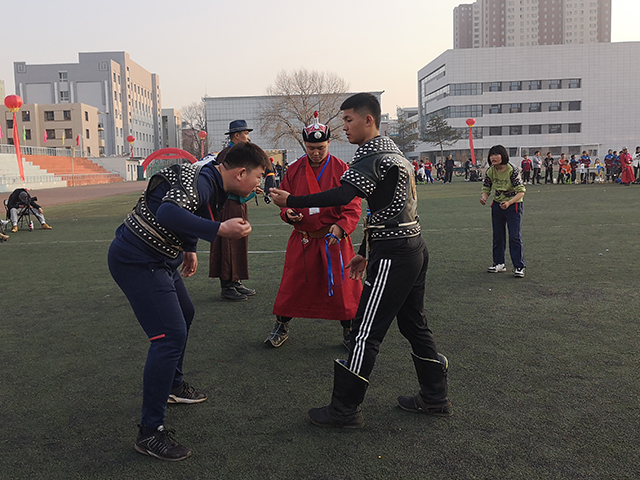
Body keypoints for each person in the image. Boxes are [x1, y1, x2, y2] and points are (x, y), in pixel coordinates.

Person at [270, 93, 452, 429]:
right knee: (414, 324)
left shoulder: (373, 154)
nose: (344, 127)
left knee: (365, 331)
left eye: (348, 119)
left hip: (395, 253)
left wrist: (292, 199)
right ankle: (435, 396)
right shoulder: (392, 151)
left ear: (368, 120)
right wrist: (365, 252)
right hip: (410, 245)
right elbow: (389, 209)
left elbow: (344, 196)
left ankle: (344, 409)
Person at [108, 142, 269, 461]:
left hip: (158, 257)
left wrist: (189, 248)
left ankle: (173, 385)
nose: (259, 184)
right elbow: (169, 211)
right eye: (259, 176)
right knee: (169, 336)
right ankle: (149, 433)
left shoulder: (212, 179)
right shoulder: (204, 181)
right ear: (241, 173)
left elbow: (190, 209)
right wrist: (219, 229)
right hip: (138, 260)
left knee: (185, 312)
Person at [265, 112, 362, 349]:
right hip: (303, 239)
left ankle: (350, 330)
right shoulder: (294, 170)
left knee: (344, 288)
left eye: (320, 148)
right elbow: (283, 201)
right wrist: (288, 213)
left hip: (334, 239)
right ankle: (282, 325)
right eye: (311, 148)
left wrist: (341, 227)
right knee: (292, 284)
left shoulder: (342, 169)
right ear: (305, 145)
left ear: (329, 143)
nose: (316, 153)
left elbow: (353, 206)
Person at [209, 120, 257, 301]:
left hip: (238, 203)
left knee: (238, 243)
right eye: (246, 133)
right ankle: (227, 286)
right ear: (236, 135)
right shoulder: (227, 155)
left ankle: (235, 280)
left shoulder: (235, 153)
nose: (248, 137)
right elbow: (228, 181)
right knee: (228, 244)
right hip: (227, 204)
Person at [480, 145, 526, 278]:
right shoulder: (491, 171)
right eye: (491, 155)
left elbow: (521, 191)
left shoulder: (512, 170)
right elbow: (486, 187)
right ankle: (499, 263)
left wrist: (509, 202)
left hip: (513, 205)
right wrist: (484, 198)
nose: (493, 158)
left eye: (496, 154)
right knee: (498, 235)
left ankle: (519, 266)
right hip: (497, 205)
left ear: (503, 156)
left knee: (514, 236)